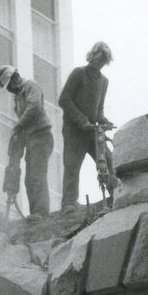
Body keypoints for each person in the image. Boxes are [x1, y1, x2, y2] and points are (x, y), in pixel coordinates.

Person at [58, 41, 116, 209]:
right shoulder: (79, 74)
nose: (100, 64)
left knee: (108, 160)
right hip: (74, 130)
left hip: (92, 130)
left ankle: (117, 194)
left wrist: (104, 121)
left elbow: (98, 111)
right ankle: (69, 203)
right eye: (99, 58)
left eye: (104, 61)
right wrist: (82, 121)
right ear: (93, 55)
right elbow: (64, 100)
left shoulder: (104, 81)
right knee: (72, 165)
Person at [0, 64, 53, 217]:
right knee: (29, 179)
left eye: (9, 86)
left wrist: (18, 127)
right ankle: (36, 213)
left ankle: (40, 213)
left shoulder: (30, 86)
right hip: (32, 140)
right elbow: (22, 129)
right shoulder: (17, 100)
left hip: (41, 136)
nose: (9, 90)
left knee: (37, 175)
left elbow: (34, 107)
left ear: (15, 78)